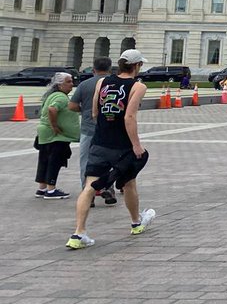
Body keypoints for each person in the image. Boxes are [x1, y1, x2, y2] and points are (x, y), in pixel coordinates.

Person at [67, 50, 156, 249]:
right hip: (122, 144)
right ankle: (135, 222)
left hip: (100, 141)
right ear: (136, 66)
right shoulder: (138, 86)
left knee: (90, 186)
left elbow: (94, 111)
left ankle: (78, 233)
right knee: (129, 183)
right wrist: (136, 145)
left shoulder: (102, 82)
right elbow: (129, 117)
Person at [69, 57, 117, 205]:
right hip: (109, 130)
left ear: (93, 69)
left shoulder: (84, 85)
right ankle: (108, 188)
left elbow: (72, 105)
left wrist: (84, 110)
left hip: (88, 129)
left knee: (86, 161)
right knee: (109, 161)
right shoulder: (114, 84)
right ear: (110, 69)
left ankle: (87, 192)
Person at [35, 72, 79, 199]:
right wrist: (54, 125)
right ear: (60, 85)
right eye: (69, 82)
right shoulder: (61, 97)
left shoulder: (52, 95)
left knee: (44, 160)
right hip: (55, 136)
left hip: (45, 134)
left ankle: (42, 188)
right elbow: (52, 109)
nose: (72, 84)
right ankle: (51, 189)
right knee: (54, 161)